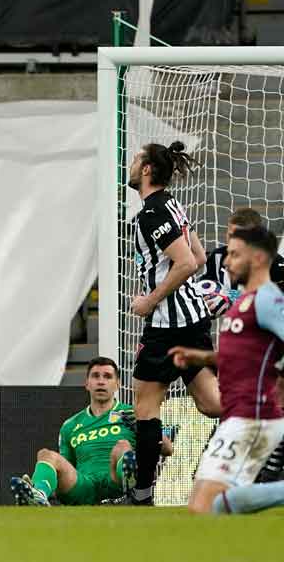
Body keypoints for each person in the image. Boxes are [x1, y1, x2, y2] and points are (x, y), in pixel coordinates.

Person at [125, 141, 219, 505]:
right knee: (212, 404)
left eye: (136, 160)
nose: (131, 165)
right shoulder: (173, 205)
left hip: (169, 325)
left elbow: (186, 262)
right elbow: (196, 253)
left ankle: (142, 495)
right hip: (192, 320)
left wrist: (150, 299)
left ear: (147, 169)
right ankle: (269, 414)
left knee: (145, 405)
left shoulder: (152, 212)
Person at [170, 225, 284, 514]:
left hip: (253, 416)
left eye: (234, 254)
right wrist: (201, 358)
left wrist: (280, 383)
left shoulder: (268, 299)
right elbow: (243, 357)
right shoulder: (244, 301)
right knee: (205, 508)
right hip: (237, 413)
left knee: (206, 507)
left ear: (257, 258)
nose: (225, 261)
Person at [9, 357, 172, 505]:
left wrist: (142, 428)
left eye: (107, 377)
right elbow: (66, 465)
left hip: (114, 481)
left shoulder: (134, 413)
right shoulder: (70, 425)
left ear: (118, 384)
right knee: (46, 454)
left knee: (123, 446)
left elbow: (168, 449)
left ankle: (130, 484)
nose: (101, 382)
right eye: (95, 376)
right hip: (83, 485)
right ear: (86, 383)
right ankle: (38, 495)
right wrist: (49, 483)